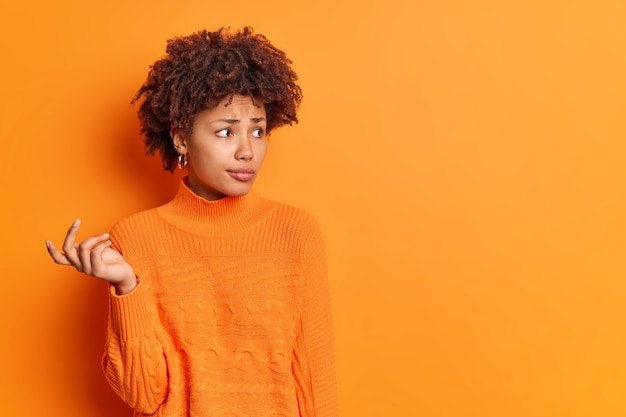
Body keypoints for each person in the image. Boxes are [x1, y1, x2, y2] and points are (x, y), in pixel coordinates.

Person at [45, 27, 338, 417]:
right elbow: (144, 395)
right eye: (225, 131)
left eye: (257, 130)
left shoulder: (295, 232)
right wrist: (126, 286)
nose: (247, 150)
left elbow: (317, 375)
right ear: (181, 138)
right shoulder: (136, 238)